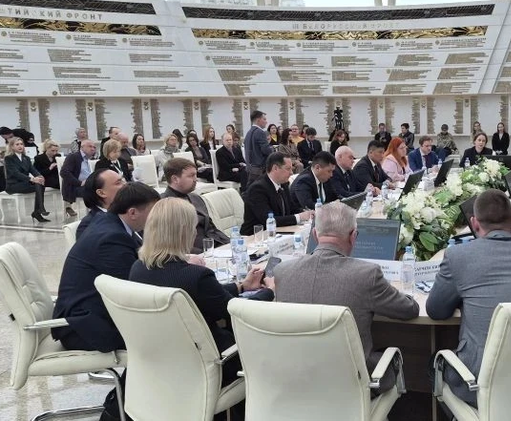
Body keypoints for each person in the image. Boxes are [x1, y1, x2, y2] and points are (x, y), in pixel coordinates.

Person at [129, 197, 273, 421]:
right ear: (184, 232)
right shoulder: (196, 276)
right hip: (212, 362)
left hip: (163, 360)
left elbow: (207, 296)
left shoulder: (138, 268)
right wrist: (270, 291)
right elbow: (238, 312)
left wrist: (241, 286)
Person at [427, 189, 511, 406]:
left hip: (481, 383)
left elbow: (436, 311)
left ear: (474, 223)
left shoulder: (458, 256)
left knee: (435, 362)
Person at [274, 201, 419, 393]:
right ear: (353, 236)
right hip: (354, 386)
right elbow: (410, 310)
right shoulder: (367, 275)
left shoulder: (282, 272)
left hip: (296, 382)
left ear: (315, 235)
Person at [52, 182, 161, 352]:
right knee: (170, 333)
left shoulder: (110, 222)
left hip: (94, 314)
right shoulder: (111, 238)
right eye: (154, 212)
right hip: (86, 328)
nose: (157, 218)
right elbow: (135, 285)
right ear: (132, 212)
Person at [162, 158, 229, 252]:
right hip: (193, 253)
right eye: (191, 176)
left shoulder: (196, 198)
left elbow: (211, 229)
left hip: (215, 247)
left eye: (195, 175)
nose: (195, 179)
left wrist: (230, 243)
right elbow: (171, 243)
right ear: (175, 179)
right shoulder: (164, 205)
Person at [240, 152, 313, 235]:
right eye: (288, 169)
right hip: (255, 236)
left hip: (279, 232)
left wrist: (307, 212)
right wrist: (300, 217)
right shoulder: (257, 189)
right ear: (275, 168)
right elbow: (269, 220)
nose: (291, 173)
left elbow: (292, 209)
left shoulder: (283, 184)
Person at [4, 137, 48, 222]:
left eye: (21, 144)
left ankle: (37, 211)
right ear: (12, 147)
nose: (20, 146)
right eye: (17, 144)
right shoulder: (8, 158)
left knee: (40, 184)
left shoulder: (26, 158)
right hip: (13, 185)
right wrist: (31, 179)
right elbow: (15, 173)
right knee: (38, 184)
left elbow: (32, 169)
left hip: (24, 183)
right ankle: (40, 210)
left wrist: (40, 176)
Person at [77, 169, 126, 239]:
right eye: (118, 183)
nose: (125, 185)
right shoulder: (89, 226)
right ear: (101, 193)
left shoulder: (127, 211)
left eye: (123, 181)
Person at [60, 139, 97, 217]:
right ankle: (94, 215)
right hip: (75, 187)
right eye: (90, 146)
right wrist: (80, 183)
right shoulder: (73, 157)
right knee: (95, 192)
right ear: (82, 147)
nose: (92, 149)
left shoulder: (89, 159)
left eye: (94, 147)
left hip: (88, 185)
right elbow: (64, 172)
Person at [243, 110, 272, 189]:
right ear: (258, 120)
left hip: (250, 167)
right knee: (256, 189)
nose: (266, 122)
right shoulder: (260, 132)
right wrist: (272, 149)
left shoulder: (249, 132)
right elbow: (266, 150)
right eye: (264, 119)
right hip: (259, 168)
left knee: (251, 189)